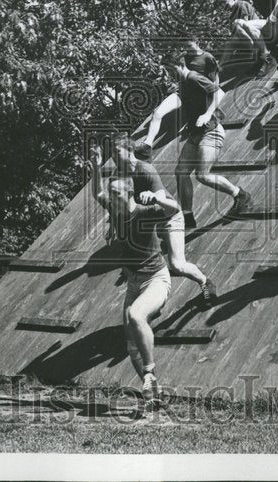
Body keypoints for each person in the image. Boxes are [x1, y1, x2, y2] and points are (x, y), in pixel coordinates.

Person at [90, 144, 174, 408]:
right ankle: (152, 393)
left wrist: (158, 198)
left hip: (156, 279)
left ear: (127, 194)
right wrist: (95, 167)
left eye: (114, 193)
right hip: (134, 282)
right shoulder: (116, 210)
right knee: (130, 346)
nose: (109, 196)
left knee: (136, 315)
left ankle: (149, 373)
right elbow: (97, 192)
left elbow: (174, 209)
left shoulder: (144, 213)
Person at [143, 53, 252, 229]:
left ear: (178, 66)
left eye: (172, 69)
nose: (171, 73)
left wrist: (208, 114)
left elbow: (220, 92)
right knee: (181, 172)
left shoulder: (194, 78)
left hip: (211, 132)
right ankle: (187, 215)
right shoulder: (184, 84)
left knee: (203, 175)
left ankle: (240, 195)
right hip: (196, 135)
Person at [112, 135, 217, 308]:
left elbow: (164, 200)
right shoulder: (119, 174)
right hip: (147, 219)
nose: (114, 158)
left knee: (177, 264)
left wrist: (154, 197)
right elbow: (116, 201)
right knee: (137, 265)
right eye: (112, 154)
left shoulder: (145, 170)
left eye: (117, 153)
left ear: (129, 150)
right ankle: (151, 301)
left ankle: (205, 282)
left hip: (168, 217)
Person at [233, 0, 278, 75]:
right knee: (238, 25)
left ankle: (268, 59)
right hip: (274, 28)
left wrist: (273, 15)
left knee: (244, 24)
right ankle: (259, 55)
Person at [215, 0, 269, 75]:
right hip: (246, 37)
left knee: (236, 25)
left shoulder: (240, 5)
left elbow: (244, 25)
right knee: (228, 44)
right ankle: (218, 69)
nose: (223, 5)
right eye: (220, 3)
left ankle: (255, 51)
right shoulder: (232, 13)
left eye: (224, 2)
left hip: (256, 34)